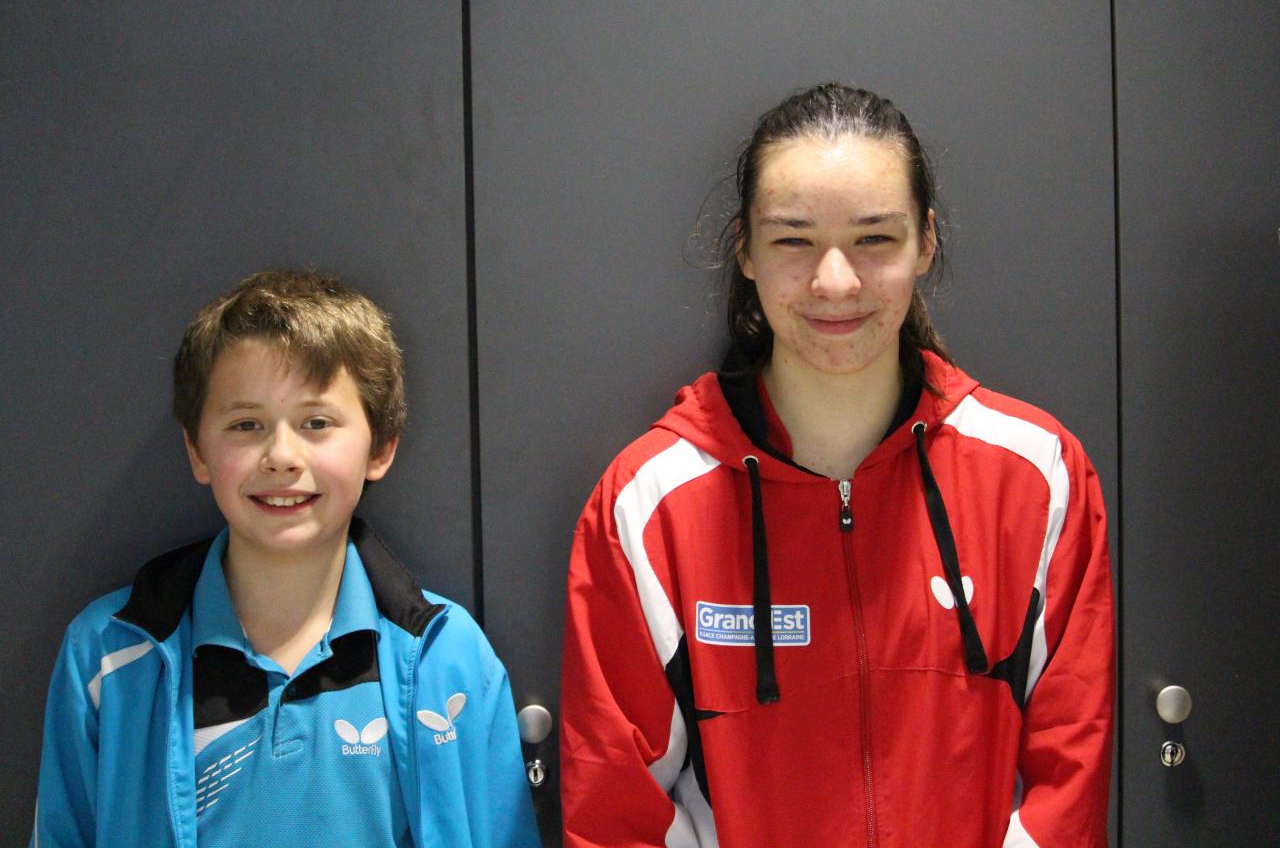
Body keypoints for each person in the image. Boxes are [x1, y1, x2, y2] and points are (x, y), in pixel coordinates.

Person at [560, 84, 1114, 846]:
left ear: (926, 241)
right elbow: (617, 809)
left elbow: (1067, 780)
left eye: (874, 238)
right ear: (746, 250)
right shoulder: (650, 502)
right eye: (793, 240)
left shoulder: (1036, 474)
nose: (835, 282)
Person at [32, 271, 539, 846]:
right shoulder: (107, 654)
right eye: (246, 425)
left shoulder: (448, 656)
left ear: (380, 447)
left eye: (316, 423)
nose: (281, 456)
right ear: (197, 451)